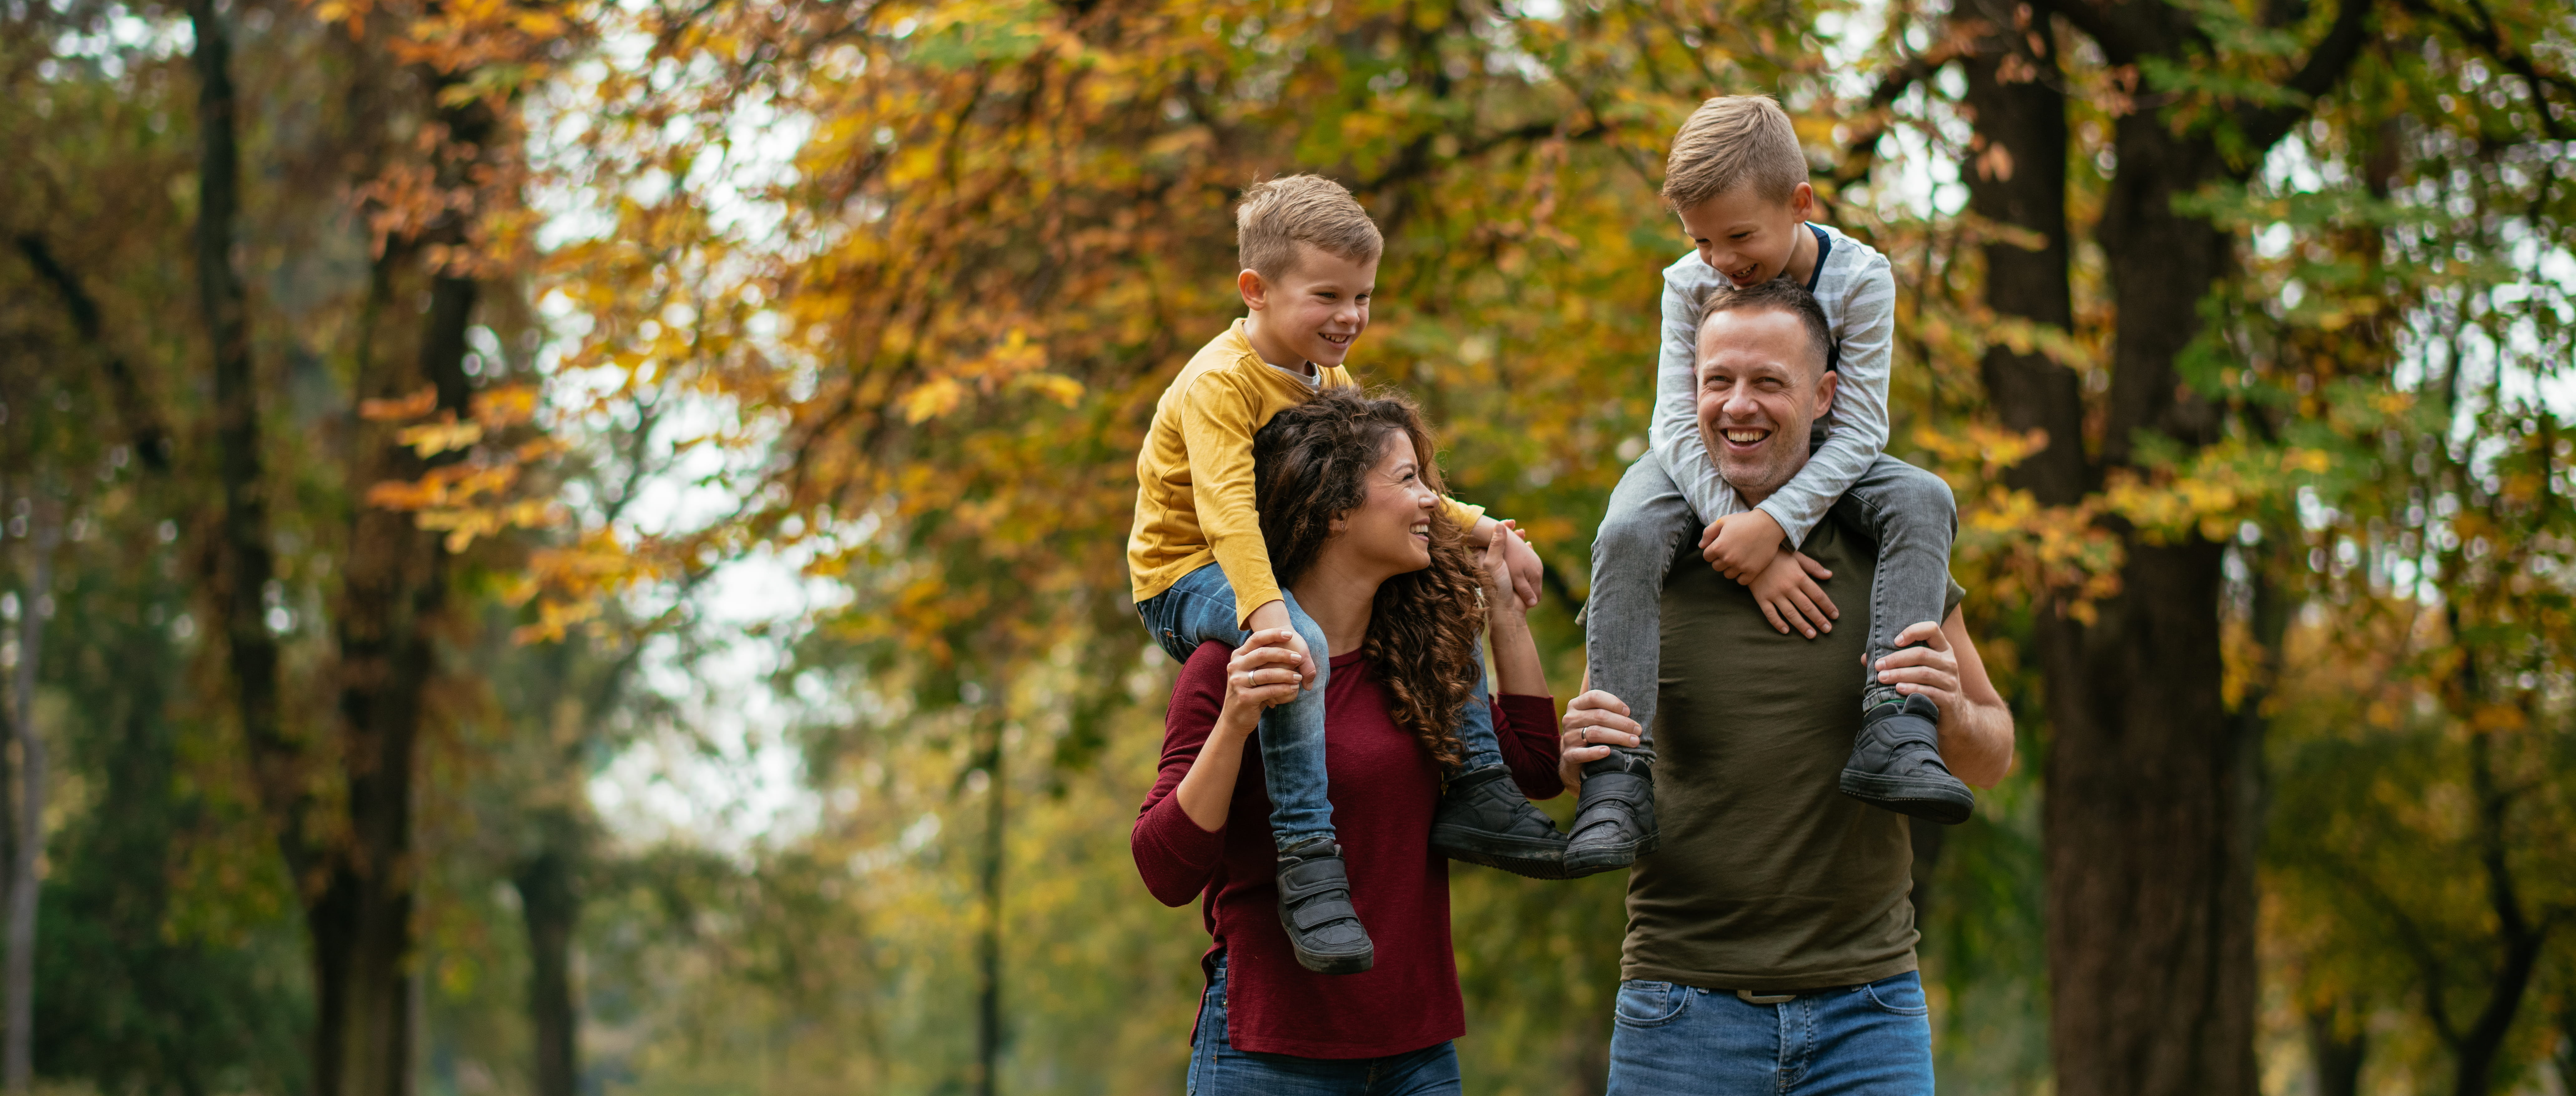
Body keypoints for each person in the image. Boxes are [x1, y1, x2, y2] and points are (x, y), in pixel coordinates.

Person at [1568, 280, 2015, 1094]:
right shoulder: (1642, 563)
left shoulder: (1890, 558)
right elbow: (1585, 767)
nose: (1739, 406)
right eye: (1718, 381)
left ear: (1825, 397)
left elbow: (1991, 752)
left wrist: (1948, 706)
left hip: (1868, 1011)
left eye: (1768, 382)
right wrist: (1577, 747)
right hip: (1679, 1006)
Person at [1128, 175, 1569, 976]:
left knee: (1430, 584)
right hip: (1186, 573)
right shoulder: (1220, 384)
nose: (1351, 316)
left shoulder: (1322, 378)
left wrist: (1484, 530)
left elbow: (1388, 478)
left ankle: (1475, 782)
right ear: (1256, 291)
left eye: (1363, 296)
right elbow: (1227, 516)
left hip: (1264, 560)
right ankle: (1307, 849)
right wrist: (1269, 620)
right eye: (1328, 294)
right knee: (1298, 641)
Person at [1132, 389, 1623, 1093]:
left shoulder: (1416, 652)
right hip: (1269, 1056)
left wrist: (1505, 611)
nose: (1432, 501)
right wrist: (1237, 720)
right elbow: (1164, 870)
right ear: (1335, 508)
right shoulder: (1231, 664)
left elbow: (1535, 774)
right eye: (1408, 479)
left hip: (1418, 1054)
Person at [1569, 95, 1974, 877]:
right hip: (1703, 457)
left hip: (1830, 455)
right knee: (1626, 529)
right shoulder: (1688, 282)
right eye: (1702, 239)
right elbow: (1675, 426)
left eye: (1740, 236)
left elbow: (1858, 429)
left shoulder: (1860, 278)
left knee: (1924, 497)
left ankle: (1897, 721)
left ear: (1800, 204)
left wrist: (1779, 523)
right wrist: (1745, 539)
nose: (1720, 258)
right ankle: (1617, 776)